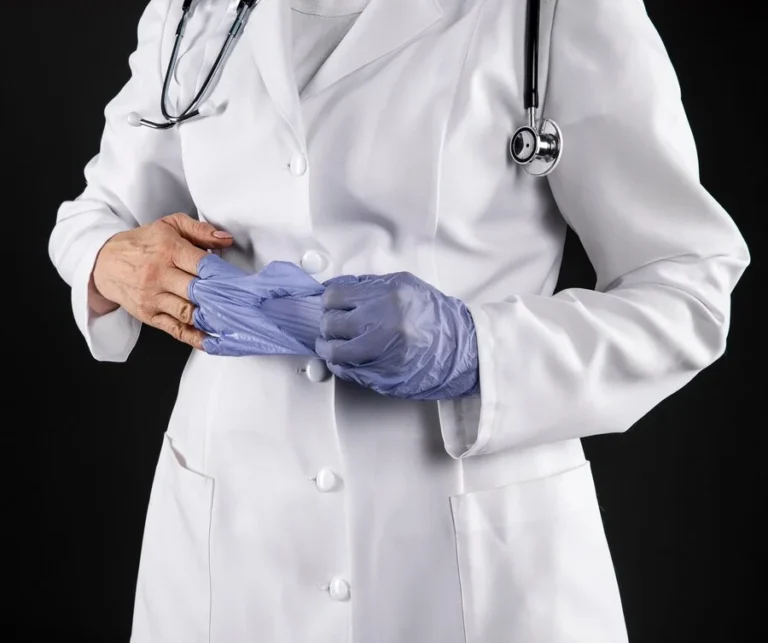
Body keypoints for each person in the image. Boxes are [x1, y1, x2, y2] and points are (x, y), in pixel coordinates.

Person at [48, 0, 750, 641]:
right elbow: (96, 214)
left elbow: (688, 282)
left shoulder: (557, 12)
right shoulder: (193, 10)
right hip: (236, 529)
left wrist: (474, 349)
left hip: (475, 545)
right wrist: (111, 259)